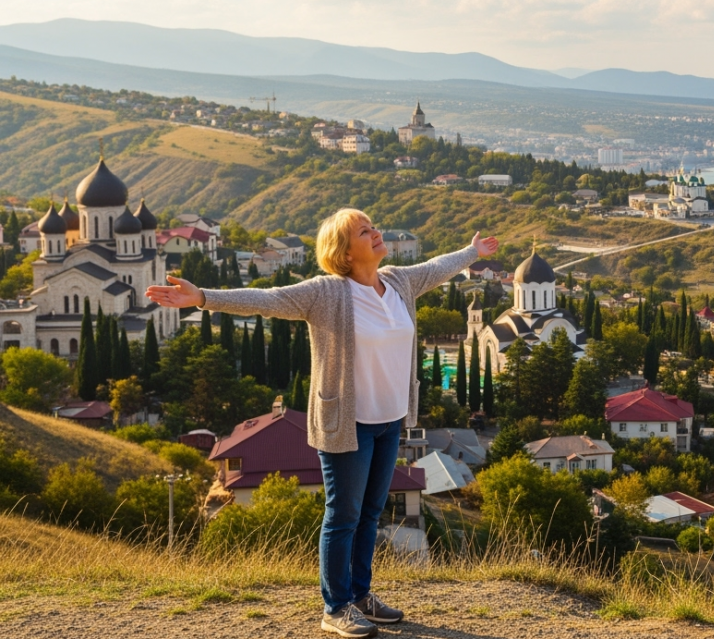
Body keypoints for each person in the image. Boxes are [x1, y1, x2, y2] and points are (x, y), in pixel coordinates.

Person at [147, 209, 498, 638]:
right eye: (364, 231)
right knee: (343, 515)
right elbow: (267, 300)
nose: (376, 233)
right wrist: (202, 296)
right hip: (345, 423)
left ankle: (361, 595)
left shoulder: (400, 282)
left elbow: (436, 267)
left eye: (373, 226)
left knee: (371, 512)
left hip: (390, 421)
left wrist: (471, 252)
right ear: (344, 252)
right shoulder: (326, 293)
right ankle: (335, 607)